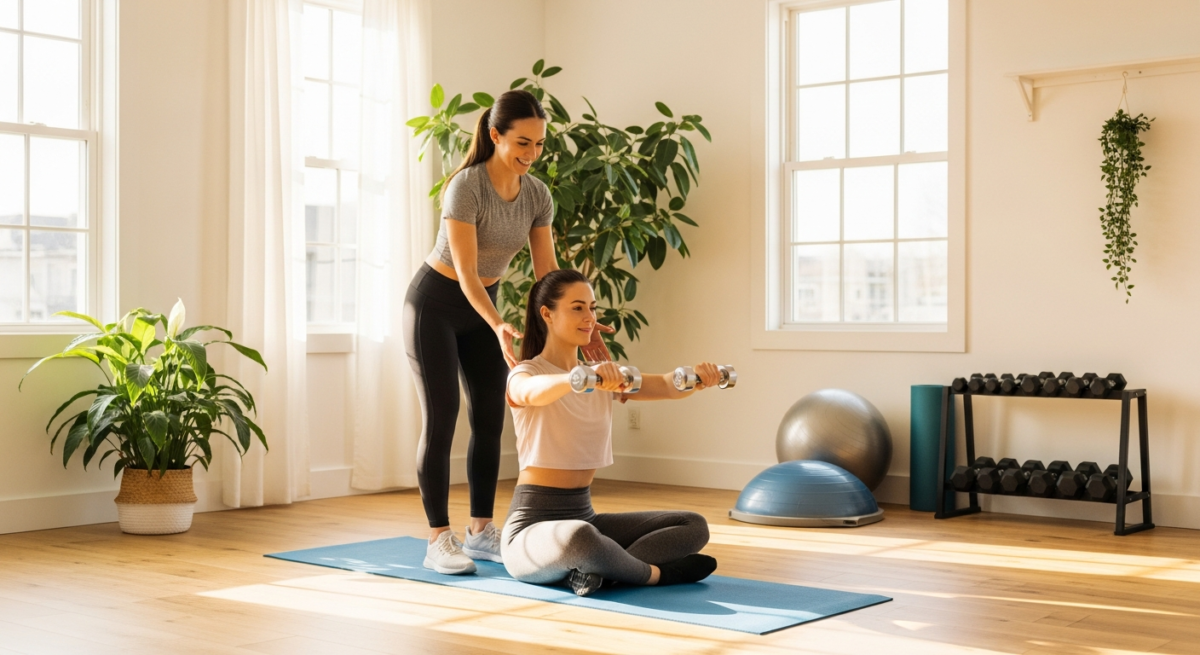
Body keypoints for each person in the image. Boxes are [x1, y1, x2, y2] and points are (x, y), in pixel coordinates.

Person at [405, 90, 612, 575]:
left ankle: (480, 532)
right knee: (442, 419)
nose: (531, 154)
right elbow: (467, 271)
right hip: (434, 304)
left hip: (484, 309)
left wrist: (578, 321)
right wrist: (497, 322)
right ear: (495, 135)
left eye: (539, 145)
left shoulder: (537, 194)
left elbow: (547, 275)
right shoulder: (467, 187)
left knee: (490, 418)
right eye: (522, 142)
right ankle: (438, 538)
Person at [501, 269, 721, 596]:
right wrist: (578, 379)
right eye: (577, 308)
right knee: (580, 539)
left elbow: (664, 385)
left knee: (692, 525)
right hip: (530, 530)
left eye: (592, 307)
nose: (589, 317)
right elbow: (530, 392)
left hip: (585, 515)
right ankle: (655, 575)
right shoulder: (529, 371)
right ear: (547, 313)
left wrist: (697, 379)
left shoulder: (602, 375)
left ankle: (602, 573)